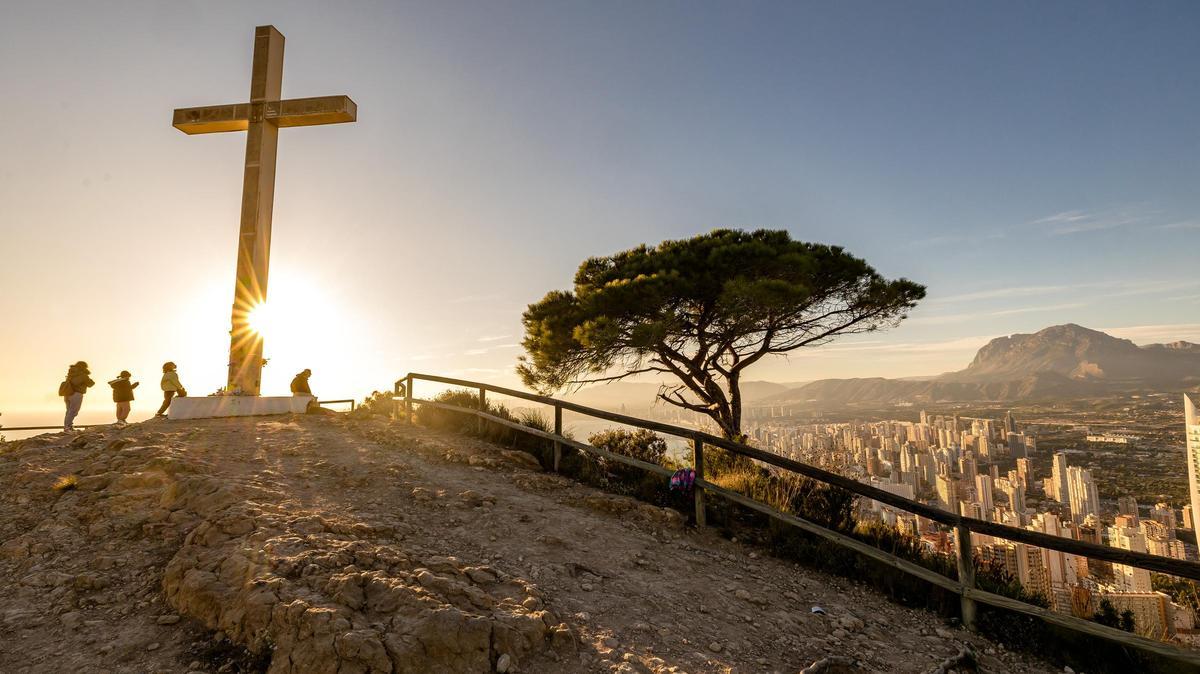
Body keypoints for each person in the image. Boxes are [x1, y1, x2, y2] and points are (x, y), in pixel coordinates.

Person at [61, 361, 95, 432]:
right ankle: (68, 427)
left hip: (67, 393)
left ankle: (68, 426)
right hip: (76, 394)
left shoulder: (71, 373)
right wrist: (88, 379)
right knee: (74, 411)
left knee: (69, 411)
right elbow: (90, 384)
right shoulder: (83, 375)